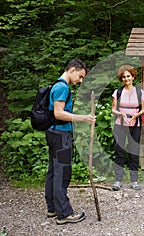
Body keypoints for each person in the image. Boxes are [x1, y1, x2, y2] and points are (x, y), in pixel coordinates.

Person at [45, 59, 96, 224]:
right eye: (80, 76)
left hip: (54, 133)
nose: (80, 81)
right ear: (73, 69)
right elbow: (58, 113)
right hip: (60, 135)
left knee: (53, 171)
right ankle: (64, 213)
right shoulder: (62, 87)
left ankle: (52, 207)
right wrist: (83, 118)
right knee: (62, 172)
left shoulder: (57, 85)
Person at [111, 65, 144, 191]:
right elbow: (113, 109)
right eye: (124, 77)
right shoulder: (118, 92)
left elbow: (143, 109)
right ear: (121, 79)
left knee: (133, 152)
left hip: (135, 125)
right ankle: (118, 180)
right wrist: (121, 114)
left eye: (128, 76)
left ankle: (134, 181)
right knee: (119, 152)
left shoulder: (139, 92)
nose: (126, 79)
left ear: (133, 77)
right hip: (120, 124)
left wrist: (137, 114)